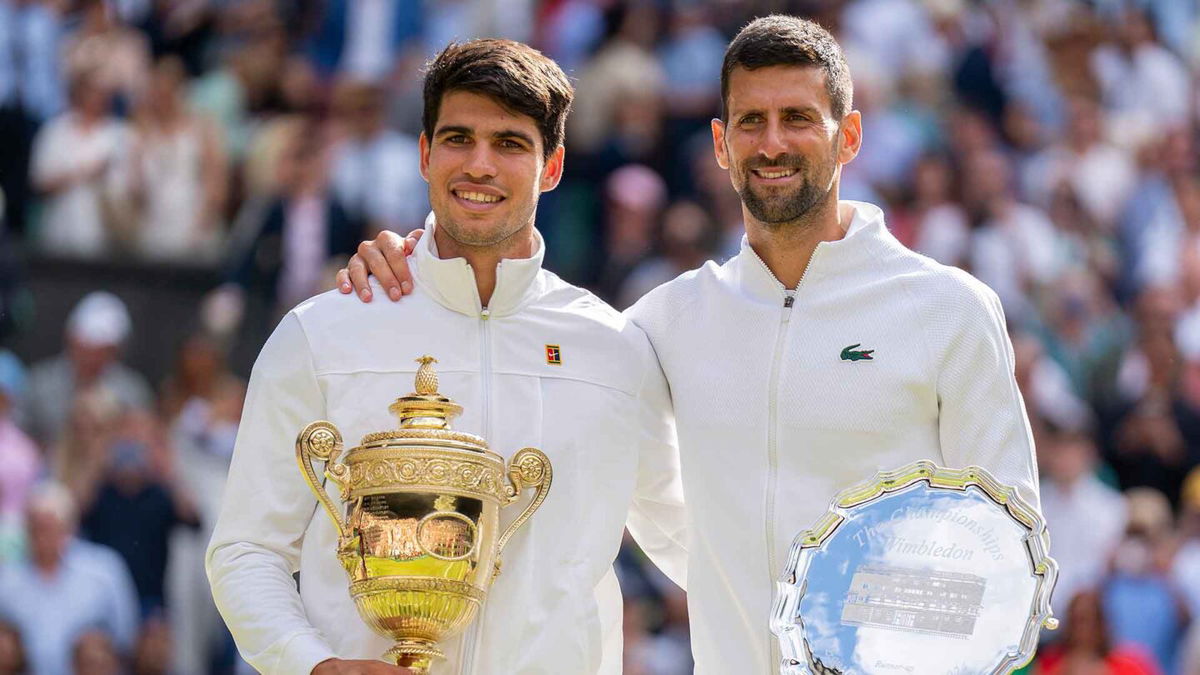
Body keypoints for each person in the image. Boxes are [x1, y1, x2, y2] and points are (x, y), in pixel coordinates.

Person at [340, 16, 1041, 674]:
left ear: (848, 136)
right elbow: (524, 335)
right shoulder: (664, 320)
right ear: (719, 142)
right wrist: (417, 260)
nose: (772, 143)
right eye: (750, 121)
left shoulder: (949, 308)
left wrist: (856, 626)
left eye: (798, 118)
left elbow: (1012, 548)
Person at [206, 39, 686, 675]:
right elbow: (246, 550)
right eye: (459, 138)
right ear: (426, 154)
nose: (480, 165)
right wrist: (315, 666)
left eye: (510, 143)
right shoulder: (322, 333)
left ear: (553, 167)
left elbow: (691, 543)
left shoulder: (614, 349)